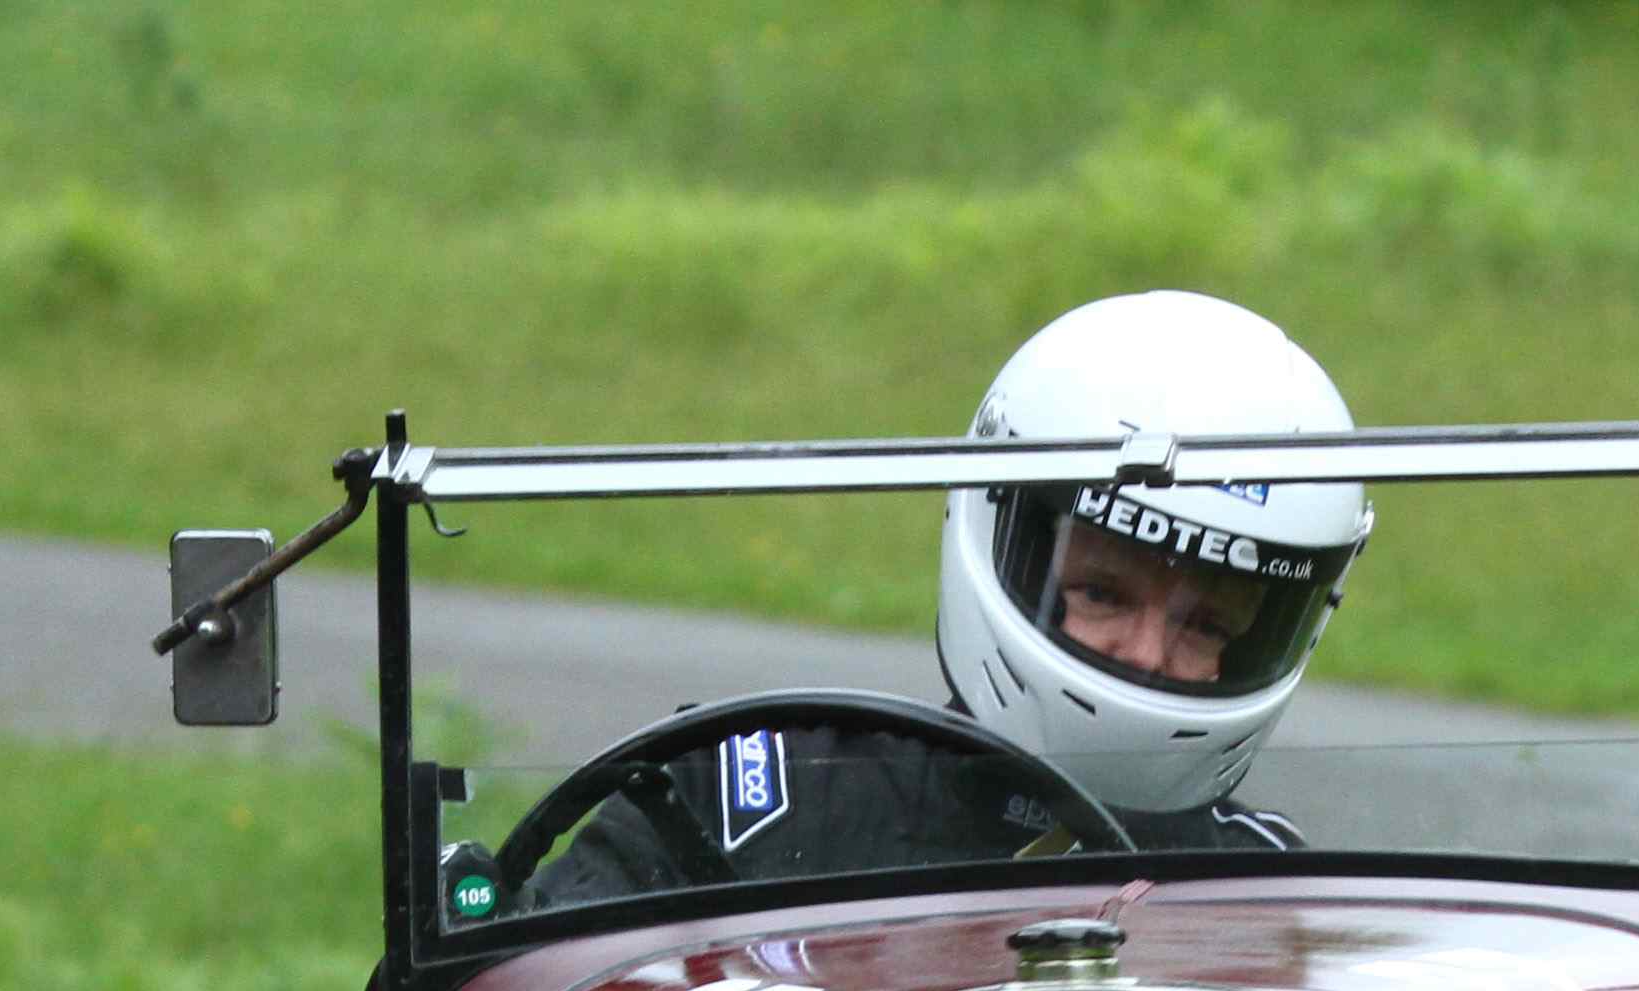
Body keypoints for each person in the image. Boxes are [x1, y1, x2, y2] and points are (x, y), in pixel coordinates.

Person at [523, 291, 1370, 907]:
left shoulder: (1254, 889)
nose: (1148, 654)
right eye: (1104, 594)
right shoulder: (744, 804)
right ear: (999, 530)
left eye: (1206, 624)